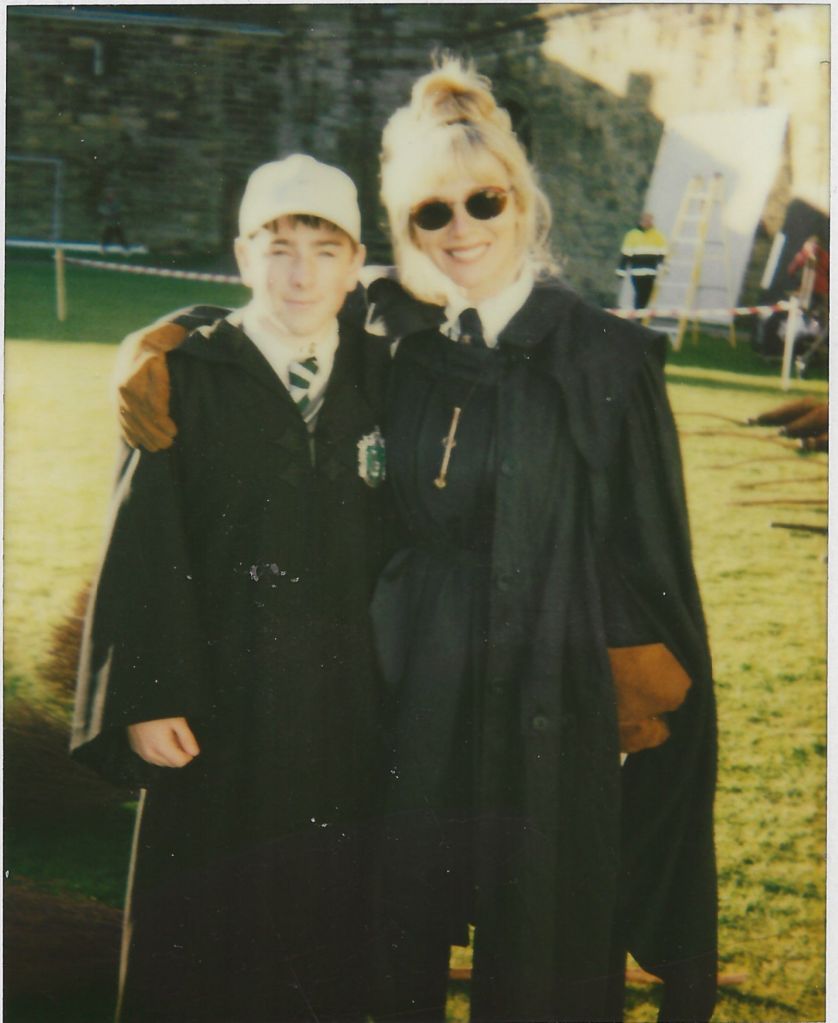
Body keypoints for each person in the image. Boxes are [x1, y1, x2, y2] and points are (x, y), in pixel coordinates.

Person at [114, 60, 717, 1023]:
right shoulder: (398, 332)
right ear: (405, 231)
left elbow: (656, 552)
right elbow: (272, 315)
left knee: (543, 944)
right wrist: (164, 341)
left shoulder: (602, 357)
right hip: (417, 694)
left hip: (548, 699)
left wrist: (642, 679)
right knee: (394, 931)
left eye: (485, 200)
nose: (461, 227)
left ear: (523, 200)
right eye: (432, 211)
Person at [72, 155, 394, 1022]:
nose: (300, 275)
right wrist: (147, 694)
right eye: (277, 249)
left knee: (324, 931)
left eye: (325, 252)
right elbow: (142, 544)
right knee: (202, 932)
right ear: (243, 255)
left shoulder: (385, 375)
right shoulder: (184, 377)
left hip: (344, 711)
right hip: (217, 707)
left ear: (357, 265)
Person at [616, 211, 668, 309]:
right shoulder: (632, 235)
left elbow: (662, 255)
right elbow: (626, 255)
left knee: (646, 296)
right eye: (646, 221)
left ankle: (640, 314)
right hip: (637, 272)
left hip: (651, 272)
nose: (648, 223)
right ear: (641, 221)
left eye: (650, 221)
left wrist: (663, 268)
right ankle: (638, 314)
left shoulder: (657, 235)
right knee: (640, 295)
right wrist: (621, 271)